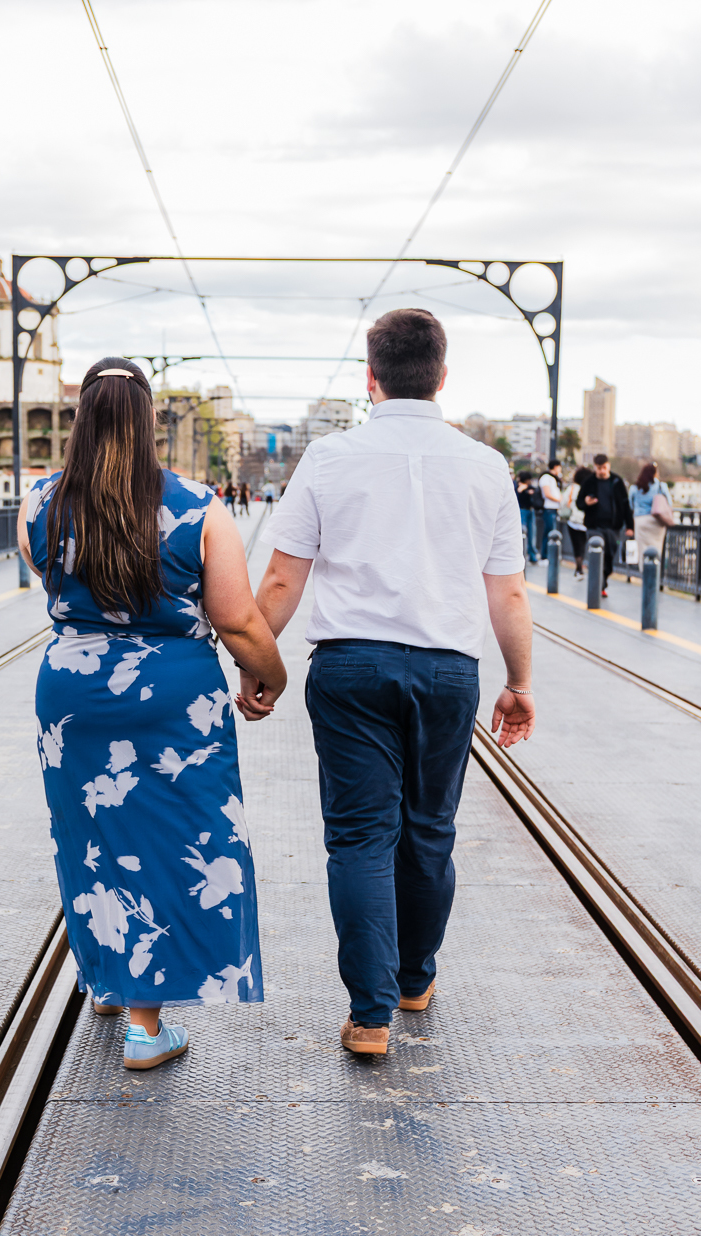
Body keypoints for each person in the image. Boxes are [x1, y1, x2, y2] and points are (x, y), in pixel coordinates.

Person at [240, 308, 534, 1058]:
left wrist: (256, 665)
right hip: (447, 671)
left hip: (350, 668)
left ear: (369, 379)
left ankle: (370, 1017)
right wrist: (519, 681)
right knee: (430, 831)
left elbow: (280, 578)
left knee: (360, 839)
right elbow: (507, 594)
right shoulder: (486, 466)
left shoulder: (330, 459)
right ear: (441, 376)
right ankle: (413, 981)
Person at [18, 357, 286, 1069]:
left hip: (72, 694)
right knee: (176, 844)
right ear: (148, 424)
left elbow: (53, 581)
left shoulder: (41, 503)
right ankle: (145, 1025)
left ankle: (111, 977)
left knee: (93, 838)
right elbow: (238, 623)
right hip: (174, 698)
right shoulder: (198, 506)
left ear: (80, 419)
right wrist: (270, 678)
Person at [577, 454, 634, 595]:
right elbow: (579, 503)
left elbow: (626, 505)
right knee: (597, 554)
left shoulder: (616, 481)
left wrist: (630, 526)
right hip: (594, 526)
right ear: (594, 467)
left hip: (613, 527)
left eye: (604, 468)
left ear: (608, 466)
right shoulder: (589, 482)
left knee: (609, 556)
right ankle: (598, 586)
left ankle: (603, 581)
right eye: (598, 468)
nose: (601, 471)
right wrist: (586, 503)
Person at [629, 461, 671, 561]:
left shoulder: (635, 487)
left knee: (642, 550)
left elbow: (631, 505)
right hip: (657, 521)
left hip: (640, 521)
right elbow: (669, 503)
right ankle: (655, 572)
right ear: (655, 474)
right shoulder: (661, 486)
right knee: (656, 549)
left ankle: (644, 573)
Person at [564, 464, 590, 578]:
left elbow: (563, 502)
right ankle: (582, 565)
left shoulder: (572, 488)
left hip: (573, 522)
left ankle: (578, 568)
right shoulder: (589, 489)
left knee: (576, 545)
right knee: (583, 544)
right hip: (585, 522)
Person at [539, 459, 563, 557]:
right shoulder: (546, 478)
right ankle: (544, 555)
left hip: (554, 509)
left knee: (552, 532)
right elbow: (547, 493)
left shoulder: (554, 478)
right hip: (549, 509)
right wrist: (559, 500)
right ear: (556, 467)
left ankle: (550, 555)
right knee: (549, 533)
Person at [515, 472, 538, 564]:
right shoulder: (520, 487)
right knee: (528, 533)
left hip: (524, 511)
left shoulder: (529, 488)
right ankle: (530, 555)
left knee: (526, 533)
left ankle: (529, 555)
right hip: (525, 511)